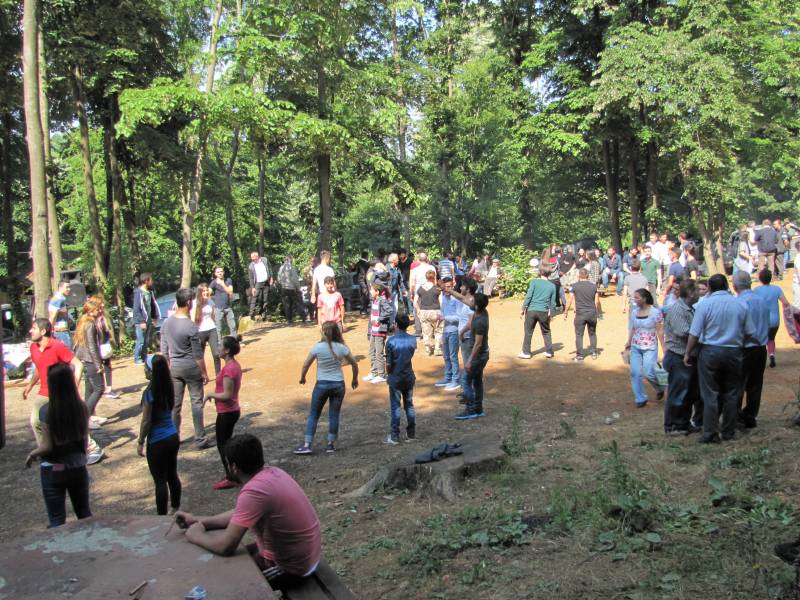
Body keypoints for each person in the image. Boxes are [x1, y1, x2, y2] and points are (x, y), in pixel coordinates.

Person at [176, 434, 322, 591]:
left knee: (221, 582)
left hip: (292, 567)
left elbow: (225, 546)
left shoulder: (254, 491)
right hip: (303, 553)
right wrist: (198, 521)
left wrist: (195, 535)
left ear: (233, 467)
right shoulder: (273, 473)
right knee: (225, 563)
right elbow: (240, 514)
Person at [684, 274, 754, 443]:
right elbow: (750, 332)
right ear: (727, 286)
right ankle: (728, 431)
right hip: (734, 351)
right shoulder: (740, 304)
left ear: (709, 288)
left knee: (710, 394)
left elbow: (694, 333)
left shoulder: (705, 304)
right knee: (732, 393)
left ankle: (710, 432)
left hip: (710, 351)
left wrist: (688, 353)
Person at [25, 362, 91, 528]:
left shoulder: (47, 411)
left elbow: (47, 447)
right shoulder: (81, 408)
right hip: (78, 466)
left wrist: (33, 454)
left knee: (56, 520)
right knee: (84, 514)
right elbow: (84, 440)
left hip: (53, 469)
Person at [294, 322, 359, 454]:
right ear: (337, 332)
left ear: (323, 333)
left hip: (322, 384)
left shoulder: (318, 347)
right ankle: (330, 445)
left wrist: (303, 377)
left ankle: (307, 445)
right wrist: (354, 379)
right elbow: (354, 363)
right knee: (334, 415)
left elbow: (306, 364)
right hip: (338, 384)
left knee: (314, 415)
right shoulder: (342, 348)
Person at [160, 288, 211, 449]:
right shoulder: (190, 326)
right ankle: (200, 438)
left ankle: (174, 436)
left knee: (175, 405)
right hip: (191, 368)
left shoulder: (166, 323)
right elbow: (198, 355)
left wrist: (168, 368)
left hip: (175, 368)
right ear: (188, 302)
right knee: (196, 402)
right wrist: (204, 372)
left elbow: (164, 351)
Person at [23, 319, 83, 445]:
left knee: (66, 424)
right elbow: (39, 367)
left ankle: (86, 447)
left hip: (60, 393)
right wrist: (30, 385)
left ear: (43, 331)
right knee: (36, 422)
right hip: (44, 392)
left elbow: (78, 365)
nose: (30, 331)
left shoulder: (57, 346)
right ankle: (46, 450)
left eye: (34, 328)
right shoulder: (33, 347)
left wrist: (74, 386)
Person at [137, 354, 181, 515]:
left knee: (160, 481)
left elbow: (146, 421)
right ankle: (176, 507)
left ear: (151, 371)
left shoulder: (149, 393)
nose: (144, 370)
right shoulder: (169, 386)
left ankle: (161, 516)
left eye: (146, 368)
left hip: (157, 441)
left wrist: (140, 441)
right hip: (172, 436)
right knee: (172, 474)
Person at [663, 280, 701, 435]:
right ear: (690, 293)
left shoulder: (689, 309)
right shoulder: (678, 310)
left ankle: (683, 423)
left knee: (689, 393)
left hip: (687, 356)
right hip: (678, 357)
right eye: (697, 290)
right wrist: (703, 334)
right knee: (678, 393)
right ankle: (672, 426)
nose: (699, 293)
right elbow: (684, 332)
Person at [733, 271, 770, 430]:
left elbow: (738, 327)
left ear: (735, 286)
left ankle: (736, 416)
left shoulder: (739, 302)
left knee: (738, 383)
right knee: (755, 384)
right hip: (760, 347)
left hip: (744, 347)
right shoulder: (761, 300)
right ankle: (750, 415)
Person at [205, 336, 243, 489]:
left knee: (223, 446)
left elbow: (227, 395)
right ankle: (234, 474)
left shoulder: (229, 370)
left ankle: (231, 477)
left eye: (220, 346)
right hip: (231, 410)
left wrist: (210, 394)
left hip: (227, 412)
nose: (218, 348)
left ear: (227, 351)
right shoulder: (234, 365)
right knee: (227, 444)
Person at [624, 288, 665, 408]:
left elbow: (660, 330)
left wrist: (664, 347)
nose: (634, 299)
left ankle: (661, 388)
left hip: (650, 347)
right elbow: (633, 328)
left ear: (644, 299)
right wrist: (629, 341)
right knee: (635, 373)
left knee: (649, 372)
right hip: (636, 346)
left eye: (637, 297)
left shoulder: (655, 313)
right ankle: (640, 398)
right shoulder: (634, 312)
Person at [73, 300, 106, 430]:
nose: (99, 311)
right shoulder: (90, 324)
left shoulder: (83, 322)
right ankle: (84, 417)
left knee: (90, 389)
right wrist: (98, 364)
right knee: (99, 388)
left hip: (84, 359)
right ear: (91, 311)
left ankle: (89, 416)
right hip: (90, 360)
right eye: (97, 309)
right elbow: (92, 346)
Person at [384, 313, 417, 445]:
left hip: (396, 377)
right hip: (408, 376)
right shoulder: (413, 340)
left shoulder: (390, 341)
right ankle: (411, 433)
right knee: (409, 405)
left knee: (395, 407)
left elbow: (388, 364)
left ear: (396, 324)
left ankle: (395, 436)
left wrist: (388, 374)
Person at [456, 292, 490, 420]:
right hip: (481, 355)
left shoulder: (480, 322)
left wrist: (470, 361)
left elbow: (478, 344)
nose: (469, 301)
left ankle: (470, 410)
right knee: (477, 381)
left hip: (478, 356)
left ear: (476, 306)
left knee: (465, 380)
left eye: (472, 301)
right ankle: (478, 409)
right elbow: (462, 299)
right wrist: (448, 290)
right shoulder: (481, 311)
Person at [753, 268, 790, 367]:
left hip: (761, 320)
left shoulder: (756, 290)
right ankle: (772, 355)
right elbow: (786, 302)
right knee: (771, 339)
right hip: (774, 321)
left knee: (760, 340)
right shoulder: (777, 289)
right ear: (770, 278)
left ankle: (759, 360)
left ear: (760, 279)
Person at [518, 264, 556, 359]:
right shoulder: (552, 286)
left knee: (528, 332)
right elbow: (553, 302)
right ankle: (549, 351)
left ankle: (526, 352)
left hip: (531, 310)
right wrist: (551, 313)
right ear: (549, 273)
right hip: (544, 311)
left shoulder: (534, 282)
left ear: (540, 272)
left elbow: (529, 296)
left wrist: (523, 308)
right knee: (546, 331)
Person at [564, 268, 599, 361]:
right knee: (592, 333)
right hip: (592, 313)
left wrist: (566, 311)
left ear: (579, 275)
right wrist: (596, 312)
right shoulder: (594, 286)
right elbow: (596, 301)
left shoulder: (574, 286)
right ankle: (594, 352)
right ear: (588, 275)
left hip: (580, 314)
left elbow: (570, 300)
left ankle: (580, 355)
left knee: (579, 335)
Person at [92, 295, 120, 400]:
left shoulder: (102, 317)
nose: (103, 305)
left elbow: (106, 331)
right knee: (99, 367)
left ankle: (108, 388)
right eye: (100, 304)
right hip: (98, 346)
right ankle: (101, 389)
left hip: (104, 345)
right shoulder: (93, 319)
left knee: (107, 365)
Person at [365, 283, 394, 384]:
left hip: (380, 331)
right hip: (373, 330)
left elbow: (390, 311)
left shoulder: (382, 300)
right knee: (372, 352)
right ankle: (374, 372)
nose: (370, 291)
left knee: (379, 353)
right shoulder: (374, 300)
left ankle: (381, 375)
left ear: (377, 292)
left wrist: (380, 319)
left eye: (372, 290)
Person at [438, 277, 461, 391]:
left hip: (454, 332)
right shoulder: (443, 298)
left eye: (449, 287)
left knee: (453, 357)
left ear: (453, 286)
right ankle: (448, 377)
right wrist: (439, 316)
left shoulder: (456, 299)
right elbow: (443, 312)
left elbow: (459, 317)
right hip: (445, 331)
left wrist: (445, 317)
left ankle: (456, 380)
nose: (447, 289)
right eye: (445, 287)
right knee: (446, 356)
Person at [192, 283, 221, 376]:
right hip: (200, 331)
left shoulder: (210, 301)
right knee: (200, 356)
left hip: (212, 329)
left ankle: (219, 375)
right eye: (203, 291)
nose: (206, 292)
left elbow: (213, 316)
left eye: (206, 290)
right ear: (199, 292)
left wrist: (215, 325)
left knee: (216, 354)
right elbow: (192, 319)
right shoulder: (194, 303)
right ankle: (203, 375)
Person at [132, 273, 161, 366]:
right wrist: (141, 321)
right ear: (146, 281)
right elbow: (136, 309)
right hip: (140, 322)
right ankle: (137, 359)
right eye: (150, 280)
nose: (152, 281)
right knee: (140, 341)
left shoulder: (149, 292)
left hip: (148, 320)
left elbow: (152, 305)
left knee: (146, 341)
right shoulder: (138, 293)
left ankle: (144, 357)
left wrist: (155, 317)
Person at [409, 251, 437, 338]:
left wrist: (412, 293)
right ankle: (431, 330)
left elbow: (412, 283)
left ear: (418, 259)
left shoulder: (415, 270)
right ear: (426, 259)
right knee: (430, 308)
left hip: (419, 291)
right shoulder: (432, 268)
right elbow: (435, 280)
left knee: (418, 310)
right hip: (430, 290)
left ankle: (418, 331)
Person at [414, 270, 442, 357]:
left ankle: (428, 349)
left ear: (426, 277)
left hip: (423, 312)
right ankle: (437, 348)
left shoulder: (420, 289)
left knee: (426, 331)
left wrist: (418, 310)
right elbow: (441, 303)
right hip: (435, 312)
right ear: (434, 278)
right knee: (438, 330)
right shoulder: (437, 289)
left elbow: (415, 302)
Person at [210, 266, 236, 340]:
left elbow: (230, 292)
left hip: (228, 307)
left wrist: (222, 284)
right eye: (218, 272)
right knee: (219, 328)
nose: (220, 273)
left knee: (233, 326)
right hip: (218, 308)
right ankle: (219, 343)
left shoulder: (228, 280)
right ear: (215, 274)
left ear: (223, 272)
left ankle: (235, 342)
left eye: (221, 271)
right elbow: (208, 292)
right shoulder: (214, 282)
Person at [277, 255, 304, 324]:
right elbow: (295, 279)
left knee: (287, 304)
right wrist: (298, 288)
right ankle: (303, 318)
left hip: (284, 288)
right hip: (292, 288)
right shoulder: (291, 267)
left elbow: (279, 279)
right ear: (291, 260)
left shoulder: (281, 268)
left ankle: (289, 320)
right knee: (298, 303)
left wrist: (283, 284)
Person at [248, 251, 273, 320]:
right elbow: (251, 278)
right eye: (251, 258)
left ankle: (264, 314)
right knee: (254, 297)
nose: (252, 259)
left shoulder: (265, 260)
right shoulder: (251, 266)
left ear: (257, 256)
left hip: (266, 282)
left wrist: (271, 277)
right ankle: (251, 313)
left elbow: (269, 269)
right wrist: (252, 287)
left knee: (265, 299)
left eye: (253, 258)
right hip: (258, 283)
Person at [48, 279, 73, 348]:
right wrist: (50, 331)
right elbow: (53, 316)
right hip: (60, 331)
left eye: (69, 287)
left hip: (61, 331)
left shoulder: (60, 298)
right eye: (67, 287)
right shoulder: (59, 299)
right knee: (67, 352)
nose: (69, 289)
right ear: (60, 287)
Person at [354, 251, 371, 315]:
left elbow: (355, 271)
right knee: (366, 294)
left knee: (362, 295)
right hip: (364, 281)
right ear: (366, 256)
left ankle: (363, 309)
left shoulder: (358, 263)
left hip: (360, 281)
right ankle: (364, 309)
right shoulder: (367, 264)